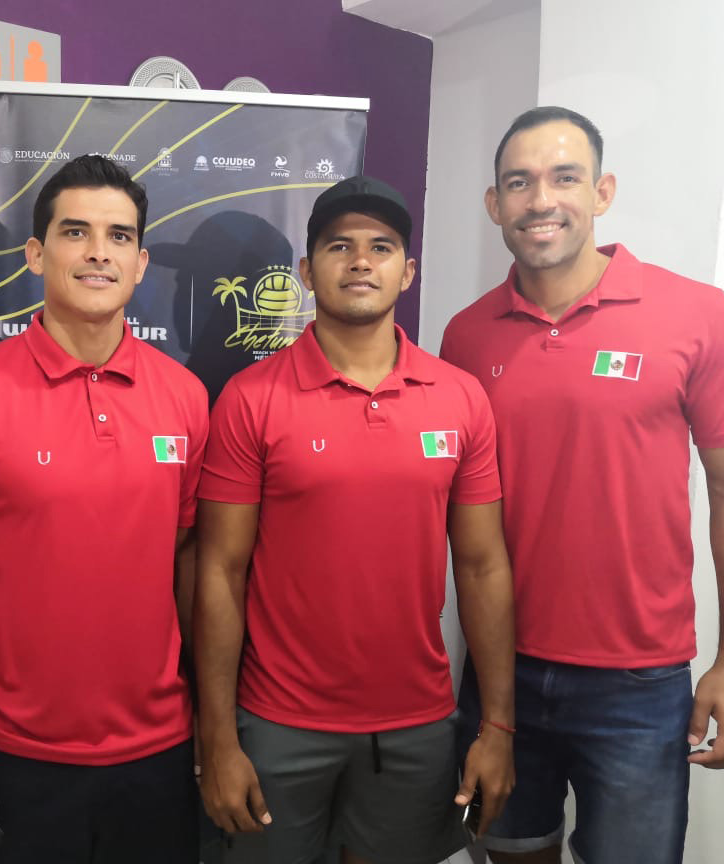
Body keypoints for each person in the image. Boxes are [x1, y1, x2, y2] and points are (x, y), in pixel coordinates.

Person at [440, 106, 724, 864]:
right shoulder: (466, 335)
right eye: (519, 183)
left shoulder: (696, 315)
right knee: (512, 855)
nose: (541, 199)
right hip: (500, 673)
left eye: (564, 177)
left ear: (602, 191)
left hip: (638, 683)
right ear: (494, 205)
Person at [0, 154, 207, 864]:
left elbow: (188, 560)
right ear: (37, 254)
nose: (99, 251)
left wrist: (210, 733)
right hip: (11, 759)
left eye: (119, 237)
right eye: (76, 232)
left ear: (141, 263)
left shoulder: (185, 398)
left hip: (156, 755)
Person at [195, 175, 516, 864]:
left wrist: (498, 725)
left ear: (408, 268)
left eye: (382, 246)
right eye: (340, 246)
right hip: (278, 723)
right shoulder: (252, 400)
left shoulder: (460, 399)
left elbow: (484, 565)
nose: (361, 261)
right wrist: (218, 739)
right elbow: (219, 571)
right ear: (308, 271)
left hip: (416, 723)